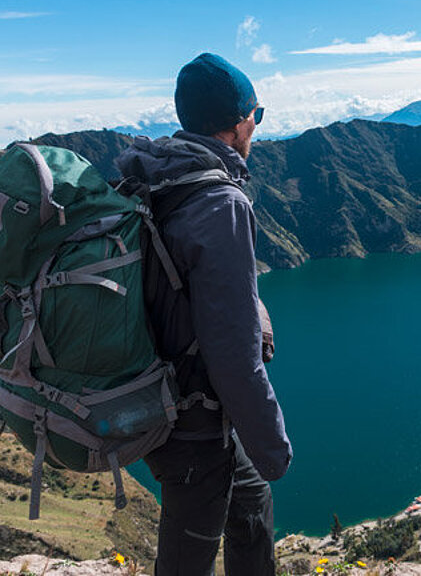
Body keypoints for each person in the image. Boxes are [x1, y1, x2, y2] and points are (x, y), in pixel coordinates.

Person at [115, 52, 291, 575]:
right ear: (239, 123)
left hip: (158, 390)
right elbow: (234, 353)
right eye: (256, 117)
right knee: (187, 558)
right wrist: (274, 446)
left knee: (251, 501)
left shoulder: (151, 176)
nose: (256, 128)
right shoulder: (220, 203)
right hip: (189, 423)